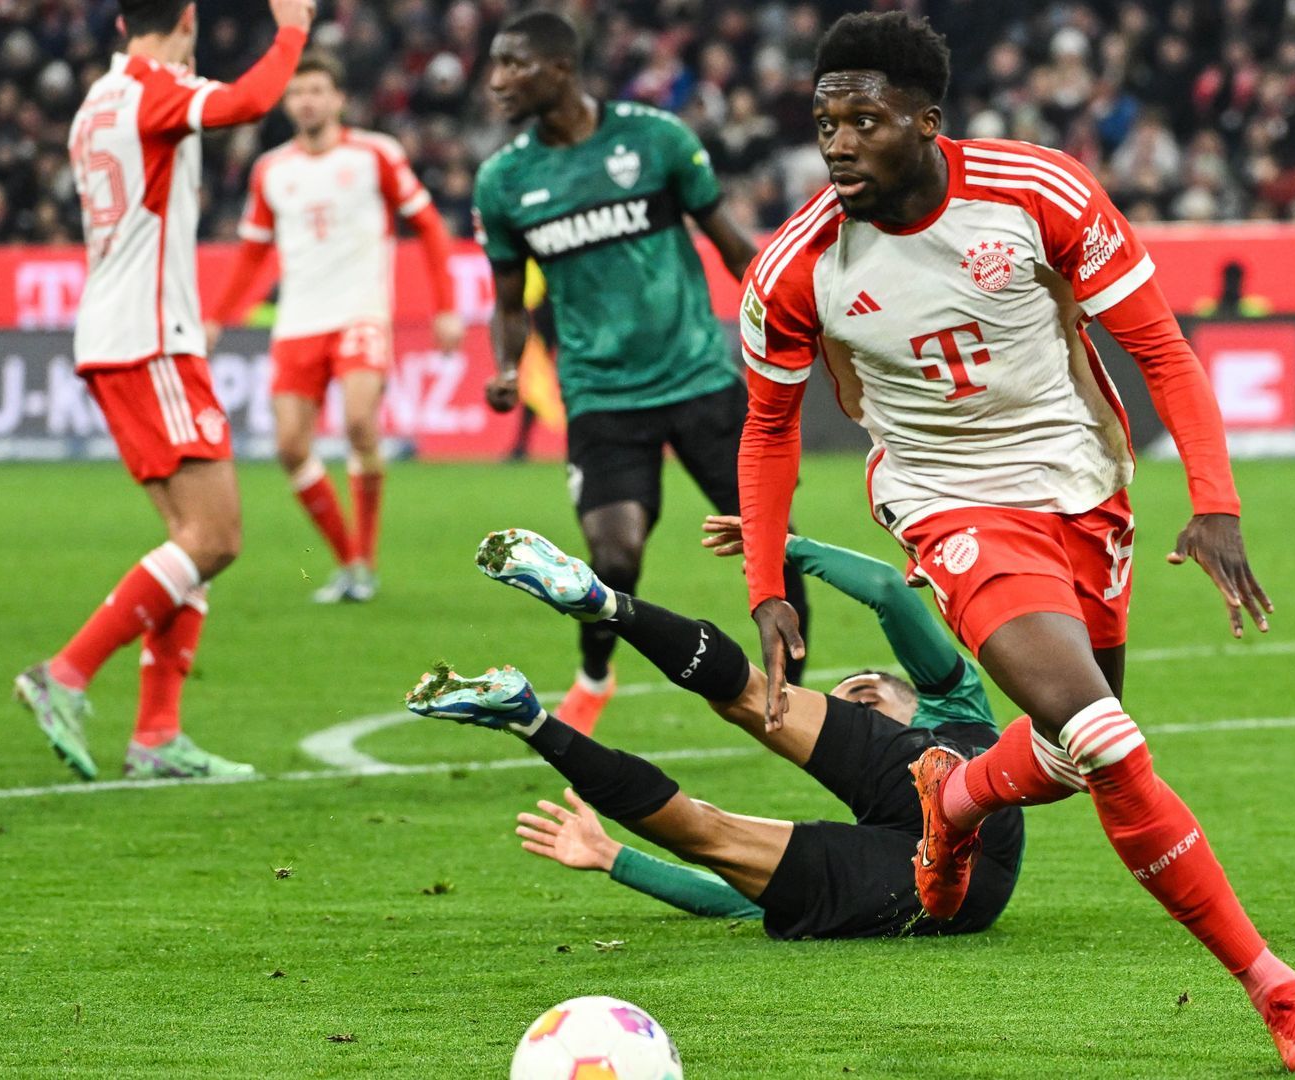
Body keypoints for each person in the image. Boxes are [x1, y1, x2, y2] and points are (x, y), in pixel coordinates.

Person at [734, 12, 1295, 1072]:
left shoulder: (1037, 193)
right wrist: (766, 579)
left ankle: (955, 793)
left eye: (864, 121)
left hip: (1082, 484)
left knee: (1071, 751)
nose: (837, 144)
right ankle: (1274, 987)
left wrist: (1216, 501)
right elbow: (769, 425)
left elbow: (1157, 343)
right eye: (825, 122)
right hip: (949, 502)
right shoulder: (796, 267)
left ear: (926, 122)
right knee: (1107, 740)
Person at [404, 526, 1023, 941]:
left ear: (902, 701)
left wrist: (779, 545)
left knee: (750, 705)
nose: (855, 714)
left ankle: (602, 610)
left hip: (942, 820)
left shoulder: (950, 702)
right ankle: (529, 718)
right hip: (939, 879)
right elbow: (740, 896)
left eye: (864, 700)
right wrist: (614, 858)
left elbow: (892, 592)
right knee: (709, 830)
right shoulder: (960, 709)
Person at [469, 10, 810, 734]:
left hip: (699, 380)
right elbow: (508, 300)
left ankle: (794, 698)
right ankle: (595, 673)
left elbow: (732, 247)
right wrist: (505, 364)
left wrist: (790, 321)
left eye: (511, 64)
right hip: (601, 395)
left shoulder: (656, 140)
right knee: (612, 559)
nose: (495, 81)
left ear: (559, 69)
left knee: (770, 541)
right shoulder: (504, 180)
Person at [13, 0, 312, 781]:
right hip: (152, 339)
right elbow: (249, 102)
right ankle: (66, 674)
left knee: (193, 542)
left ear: (118, 24)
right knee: (215, 539)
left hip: (117, 337)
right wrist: (294, 30)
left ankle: (156, 737)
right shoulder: (154, 89)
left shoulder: (97, 101)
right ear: (186, 17)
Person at [206, 53, 461, 603]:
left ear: (339, 99)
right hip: (299, 321)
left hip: (360, 312)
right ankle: (348, 562)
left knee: (361, 425)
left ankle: (365, 559)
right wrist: (215, 318)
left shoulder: (376, 155)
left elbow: (430, 227)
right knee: (290, 446)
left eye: (318, 90)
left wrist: (446, 306)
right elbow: (252, 255)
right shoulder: (272, 169)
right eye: (298, 93)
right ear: (288, 102)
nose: (307, 101)